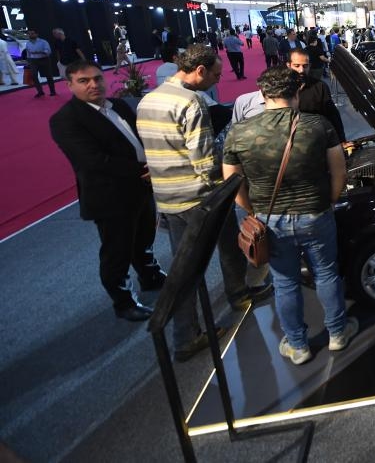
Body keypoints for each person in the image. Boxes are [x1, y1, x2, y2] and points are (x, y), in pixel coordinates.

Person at [137, 45, 271, 362]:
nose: (216, 80)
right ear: (199, 71)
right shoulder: (192, 102)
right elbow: (204, 159)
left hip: (168, 199)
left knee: (183, 268)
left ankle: (189, 332)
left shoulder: (148, 100)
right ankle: (233, 299)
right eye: (215, 74)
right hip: (200, 197)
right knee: (226, 247)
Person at [223, 67, 358, 364]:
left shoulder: (240, 132)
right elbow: (339, 171)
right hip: (316, 214)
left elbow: (232, 183)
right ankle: (337, 334)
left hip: (271, 220)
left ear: (262, 94)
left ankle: (298, 346)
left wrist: (253, 210)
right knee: (327, 273)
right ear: (296, 93)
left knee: (284, 282)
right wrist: (328, 201)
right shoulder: (318, 125)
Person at [49, 61, 166, 322]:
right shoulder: (65, 120)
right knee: (117, 251)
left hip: (141, 186)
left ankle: (150, 276)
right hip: (110, 196)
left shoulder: (119, 105)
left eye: (97, 78)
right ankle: (123, 302)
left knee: (144, 237)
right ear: (69, 85)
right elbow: (93, 161)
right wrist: (144, 169)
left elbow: (141, 136)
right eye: (84, 81)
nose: (93, 85)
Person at [231, 49, 348, 144]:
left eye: (305, 66)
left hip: (313, 141)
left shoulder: (320, 86)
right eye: (296, 66)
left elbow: (333, 115)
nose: (301, 70)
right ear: (288, 65)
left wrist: (341, 139)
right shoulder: (279, 86)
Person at [24, 29, 57, 97]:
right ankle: (40, 91)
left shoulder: (43, 42)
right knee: (34, 75)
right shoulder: (28, 43)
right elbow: (28, 53)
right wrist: (28, 61)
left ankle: (52, 91)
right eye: (29, 34)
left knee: (48, 75)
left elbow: (48, 51)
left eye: (32, 33)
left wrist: (39, 52)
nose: (30, 35)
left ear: (36, 34)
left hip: (44, 59)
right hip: (33, 60)